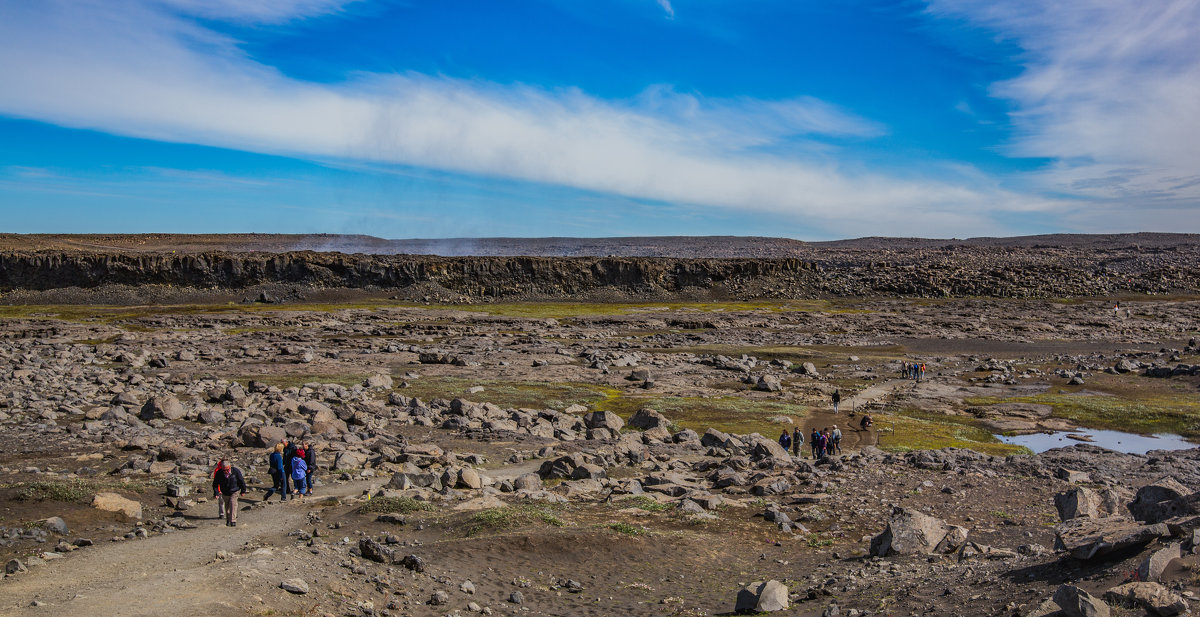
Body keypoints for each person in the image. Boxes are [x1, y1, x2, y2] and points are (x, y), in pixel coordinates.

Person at [211, 459, 247, 526]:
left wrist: (243, 490)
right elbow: (215, 484)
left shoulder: (236, 471)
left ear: (230, 467)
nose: (226, 471)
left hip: (235, 491)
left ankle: (233, 521)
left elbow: (241, 481)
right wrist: (216, 493)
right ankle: (228, 520)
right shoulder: (219, 473)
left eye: (227, 469)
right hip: (225, 492)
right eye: (224, 470)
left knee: (233, 504)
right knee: (227, 507)